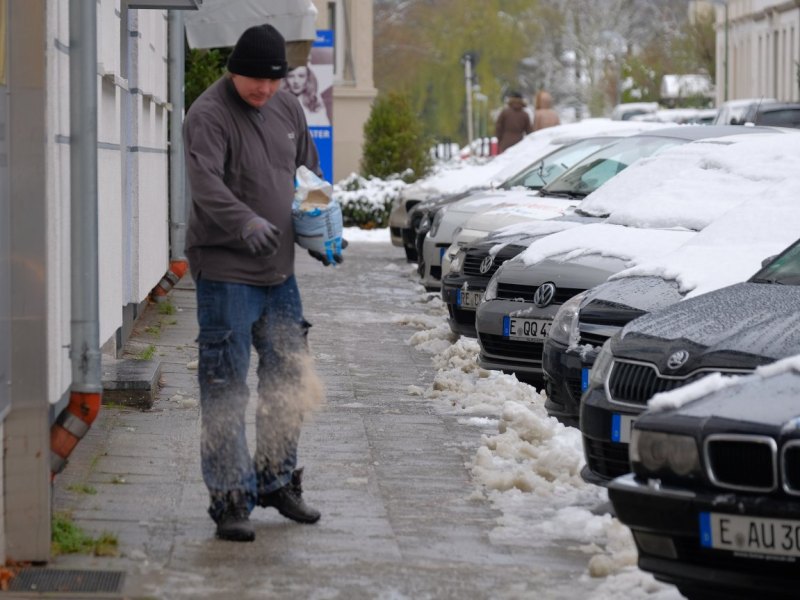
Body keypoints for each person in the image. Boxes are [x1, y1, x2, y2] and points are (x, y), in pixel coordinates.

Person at [183, 23, 340, 542]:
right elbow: (205, 183)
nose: (265, 89)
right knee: (225, 385)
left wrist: (319, 228)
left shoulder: (287, 107)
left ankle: (275, 479)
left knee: (288, 377)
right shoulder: (208, 114)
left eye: (274, 80)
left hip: (279, 274)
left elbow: (309, 175)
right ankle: (230, 497)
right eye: (256, 80)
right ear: (235, 70)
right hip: (225, 271)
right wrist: (244, 221)